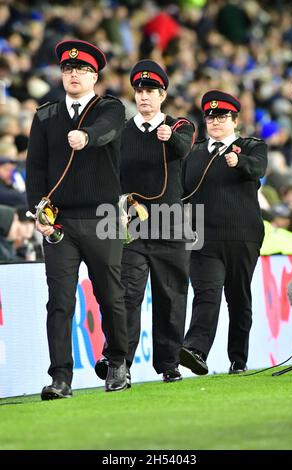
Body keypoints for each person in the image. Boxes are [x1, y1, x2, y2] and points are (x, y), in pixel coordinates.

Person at [26, 39, 128, 398]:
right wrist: (37, 209)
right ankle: (61, 378)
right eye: (68, 69)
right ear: (61, 73)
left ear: (94, 75)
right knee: (60, 301)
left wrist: (87, 136)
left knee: (110, 295)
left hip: (102, 217)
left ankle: (117, 362)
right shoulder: (46, 114)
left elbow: (110, 129)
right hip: (60, 222)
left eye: (81, 69)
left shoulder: (110, 107)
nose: (73, 74)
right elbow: (35, 167)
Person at [95, 59, 195, 384]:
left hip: (171, 225)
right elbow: (110, 177)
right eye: (139, 90)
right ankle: (118, 362)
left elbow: (183, 150)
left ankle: (168, 363)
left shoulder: (180, 127)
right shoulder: (121, 133)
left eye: (150, 90)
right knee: (126, 295)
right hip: (130, 227)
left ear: (163, 94)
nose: (144, 96)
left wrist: (168, 136)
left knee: (171, 296)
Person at [180, 90, 268, 375]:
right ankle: (195, 349)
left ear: (235, 120)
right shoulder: (192, 154)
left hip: (243, 236)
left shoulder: (252, 146)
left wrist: (239, 162)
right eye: (210, 116)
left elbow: (258, 168)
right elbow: (179, 192)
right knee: (206, 293)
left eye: (222, 116)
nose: (215, 121)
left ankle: (238, 359)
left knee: (238, 297)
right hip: (203, 238)